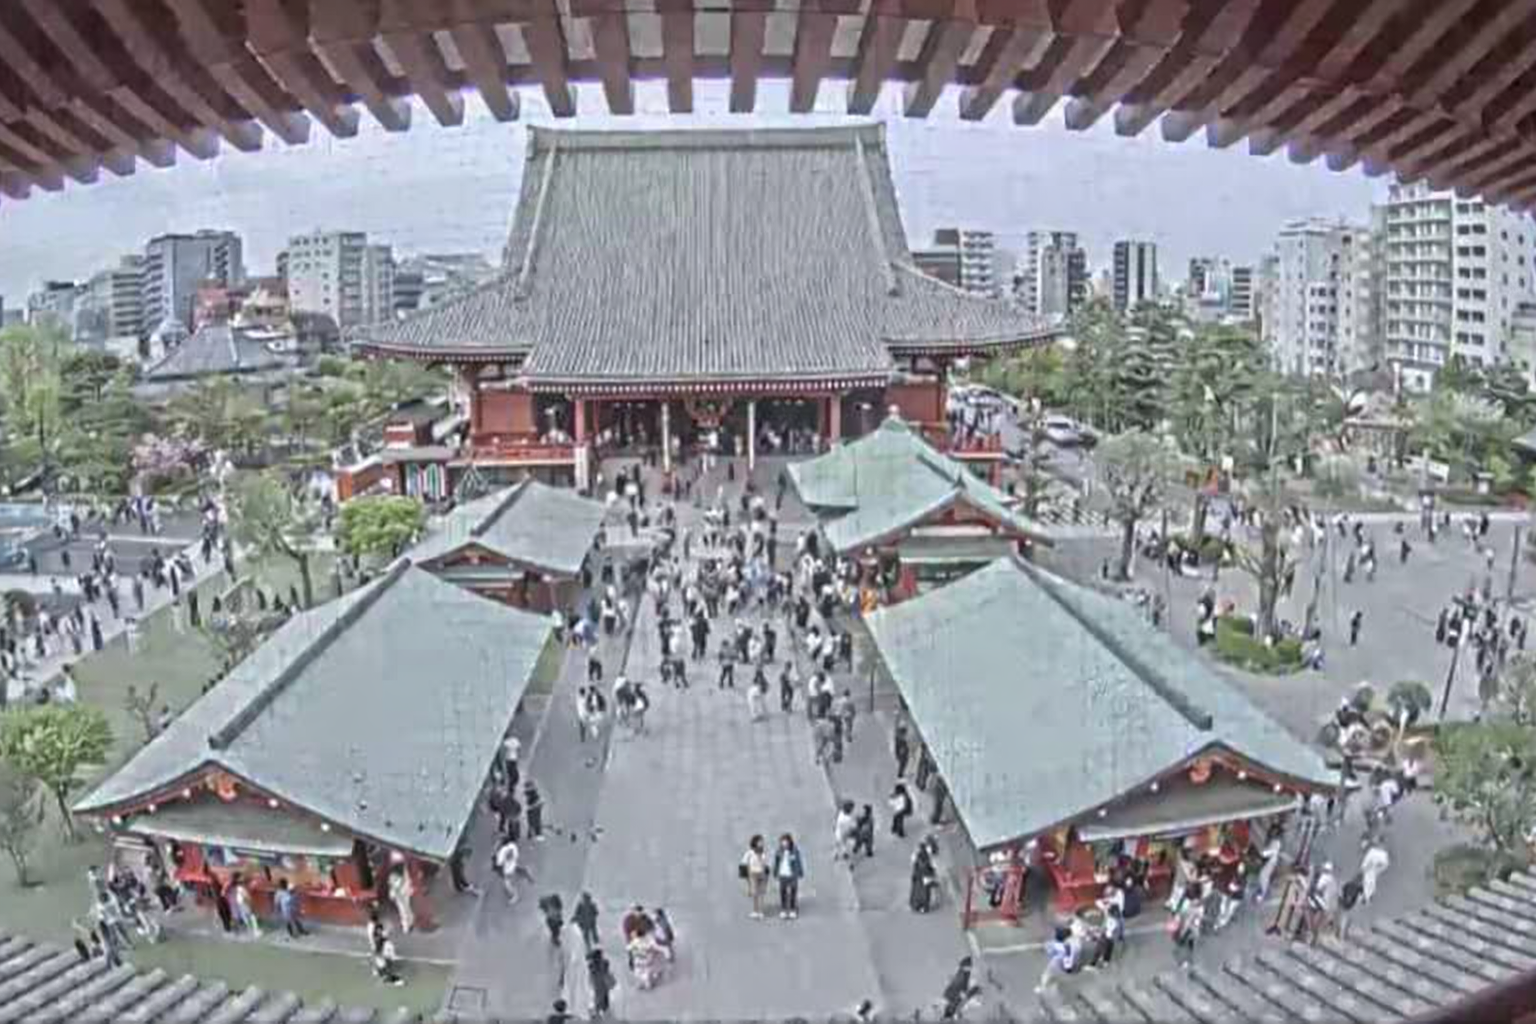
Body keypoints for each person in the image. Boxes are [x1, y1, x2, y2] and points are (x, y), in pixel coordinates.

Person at [773, 833, 805, 919]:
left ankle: (792, 909)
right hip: (782, 874)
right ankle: (783, 909)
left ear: (789, 842)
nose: (784, 844)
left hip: (792, 875)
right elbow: (776, 863)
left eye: (785, 842)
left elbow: (799, 862)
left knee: (793, 892)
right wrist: (775, 872)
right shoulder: (779, 851)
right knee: (783, 892)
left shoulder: (794, 851)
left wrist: (800, 872)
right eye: (782, 842)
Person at [740, 834, 769, 919]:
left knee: (762, 893)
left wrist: (766, 876)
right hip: (753, 874)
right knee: (755, 894)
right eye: (760, 841)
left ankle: (761, 911)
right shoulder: (749, 853)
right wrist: (747, 879)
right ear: (755, 842)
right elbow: (744, 864)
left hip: (762, 874)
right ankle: (755, 911)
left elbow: (765, 865)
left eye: (762, 842)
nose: (762, 843)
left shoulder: (763, 852)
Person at [494, 837, 524, 905]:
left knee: (507, 883)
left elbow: (499, 863)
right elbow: (516, 856)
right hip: (513, 865)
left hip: (507, 869)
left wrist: (496, 852)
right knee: (511, 879)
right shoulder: (513, 846)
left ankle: (515, 895)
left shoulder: (502, 851)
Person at [587, 949, 616, 1019]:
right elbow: (606, 971)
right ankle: (599, 1010)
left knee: (599, 996)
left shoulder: (592, 964)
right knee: (601, 996)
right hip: (601, 982)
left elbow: (592, 972)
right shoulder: (603, 963)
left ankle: (599, 1010)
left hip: (599, 982)